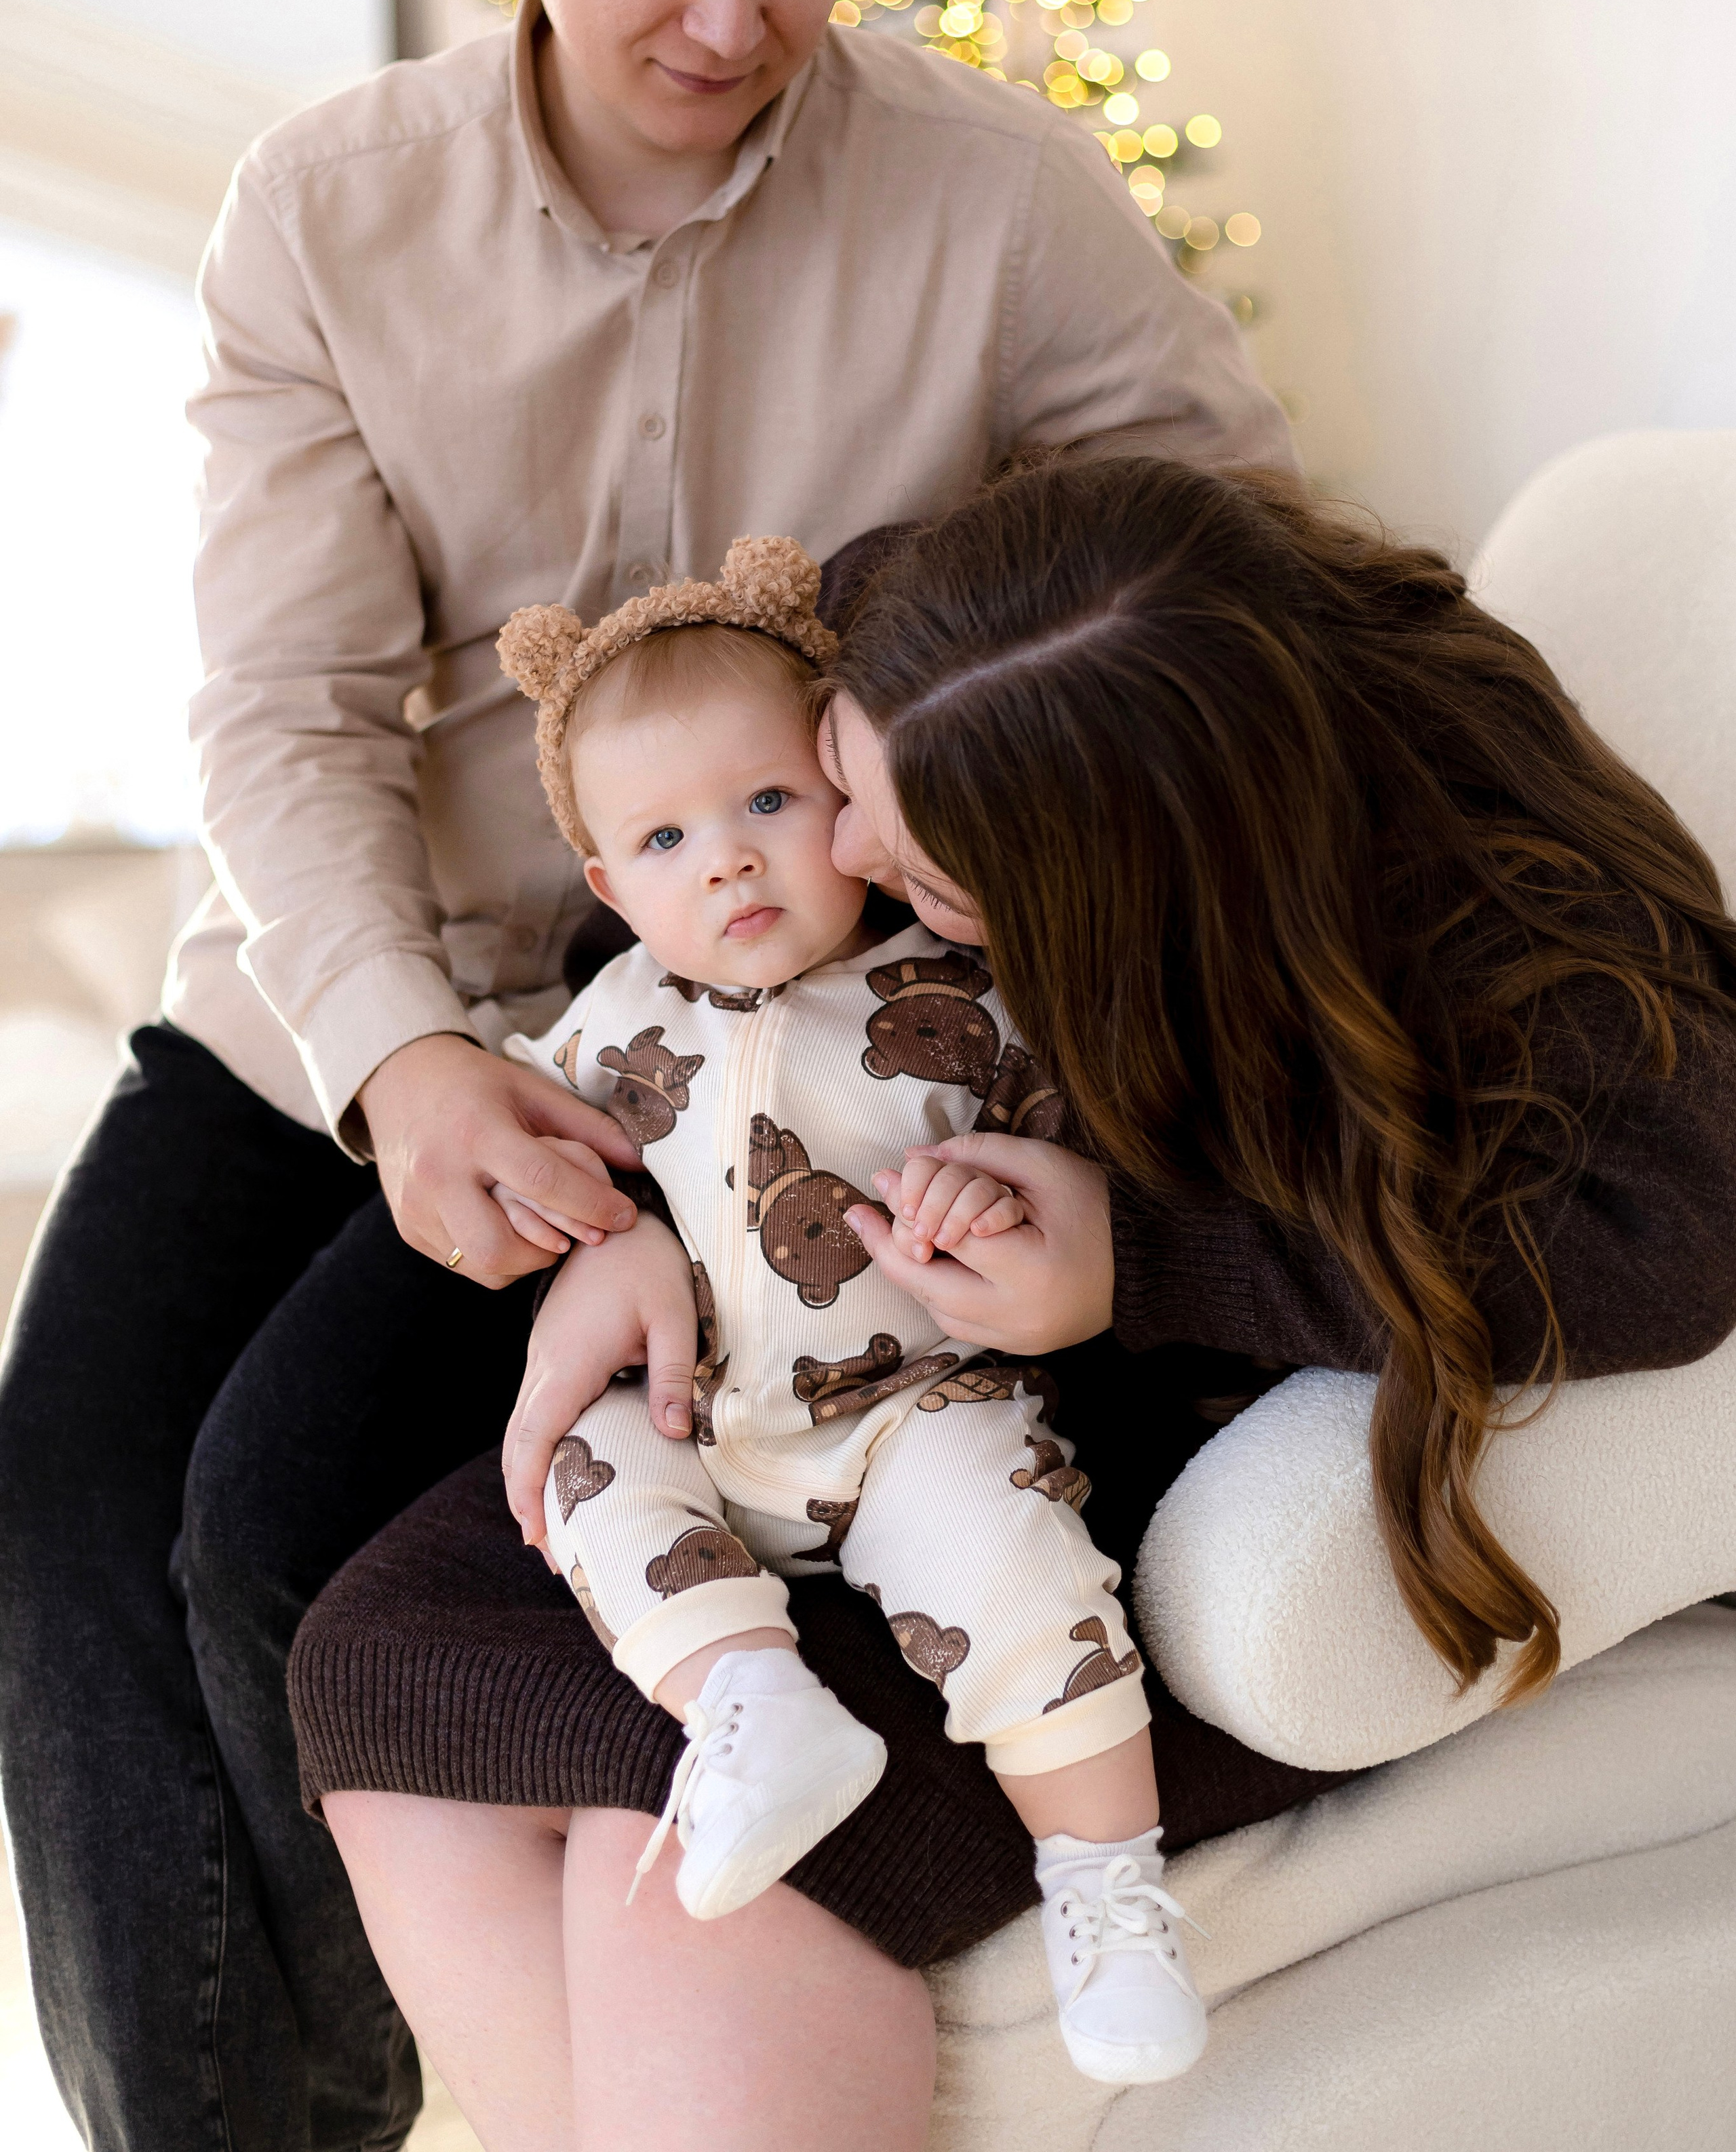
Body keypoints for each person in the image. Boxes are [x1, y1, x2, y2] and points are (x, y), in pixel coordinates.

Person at [0, 0, 1289, 2152]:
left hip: (763, 1027)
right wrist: (405, 1066)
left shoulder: (999, 198)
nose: (728, 19)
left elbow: (1226, 561)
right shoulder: (321, 209)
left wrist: (989, 882)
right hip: (361, 977)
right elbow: (282, 715)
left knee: (266, 1525)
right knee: (60, 1510)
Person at [305, 456, 1736, 2152]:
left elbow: (1669, 1242)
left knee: (673, 1855)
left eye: (910, 868)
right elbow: (701, 900)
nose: (820, 852)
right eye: (833, 778)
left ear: (1117, 911)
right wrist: (625, 1227)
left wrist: (1142, 1256)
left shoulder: (1502, 947)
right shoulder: (944, 625)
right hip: (807, 1348)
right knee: (379, 1660)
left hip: (1065, 1444)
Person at [488, 534, 1204, 2086]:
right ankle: (747, 1698)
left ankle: (1106, 1883)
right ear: (610, 887)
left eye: (763, 806)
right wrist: (582, 1248)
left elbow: (1105, 1171)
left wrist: (1006, 1194)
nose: (728, 862)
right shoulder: (612, 1025)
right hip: (703, 1420)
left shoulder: (967, 991)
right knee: (577, 1468)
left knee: (1017, 1564)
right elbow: (521, 1167)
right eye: (666, 839)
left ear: (849, 805)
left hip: (913, 1412)